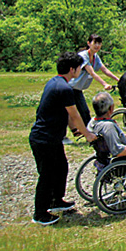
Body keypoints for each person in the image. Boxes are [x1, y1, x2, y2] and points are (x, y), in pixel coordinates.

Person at [28, 52, 98, 225]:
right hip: (44, 139)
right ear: (72, 69)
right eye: (79, 69)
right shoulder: (65, 89)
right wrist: (89, 135)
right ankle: (40, 214)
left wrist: (74, 129)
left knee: (61, 168)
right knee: (47, 175)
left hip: (52, 138)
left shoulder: (55, 82)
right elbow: (75, 114)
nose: (80, 72)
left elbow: (66, 113)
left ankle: (56, 201)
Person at [64, 34, 120, 142]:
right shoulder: (83, 55)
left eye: (99, 43)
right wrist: (104, 84)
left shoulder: (95, 57)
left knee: (84, 112)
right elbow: (92, 73)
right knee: (69, 112)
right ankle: (87, 134)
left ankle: (90, 134)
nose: (97, 46)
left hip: (77, 89)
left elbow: (104, 70)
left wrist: (119, 80)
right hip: (69, 87)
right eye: (95, 43)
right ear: (88, 43)